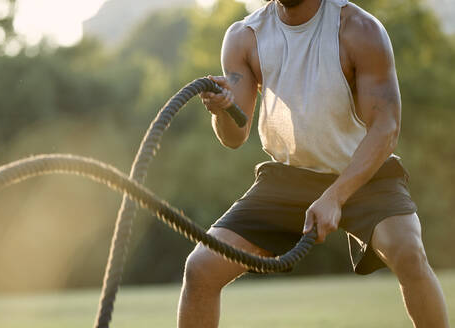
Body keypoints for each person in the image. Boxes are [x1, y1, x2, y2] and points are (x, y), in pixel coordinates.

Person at [177, 0, 450, 327]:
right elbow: (235, 136)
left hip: (366, 173)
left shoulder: (359, 30)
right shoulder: (244, 37)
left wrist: (334, 196)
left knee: (408, 253)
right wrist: (222, 110)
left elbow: (386, 128)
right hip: (287, 179)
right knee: (200, 268)